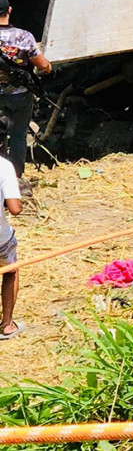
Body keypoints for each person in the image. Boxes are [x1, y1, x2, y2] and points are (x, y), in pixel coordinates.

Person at [0, 0, 51, 178]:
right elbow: (43, 64)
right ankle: (15, 177)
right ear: (10, 10)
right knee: (18, 135)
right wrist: (48, 69)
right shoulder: (23, 37)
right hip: (20, 95)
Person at [0, 113, 23, 339]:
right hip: (1, 238)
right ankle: (7, 325)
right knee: (10, 272)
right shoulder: (4, 167)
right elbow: (14, 208)